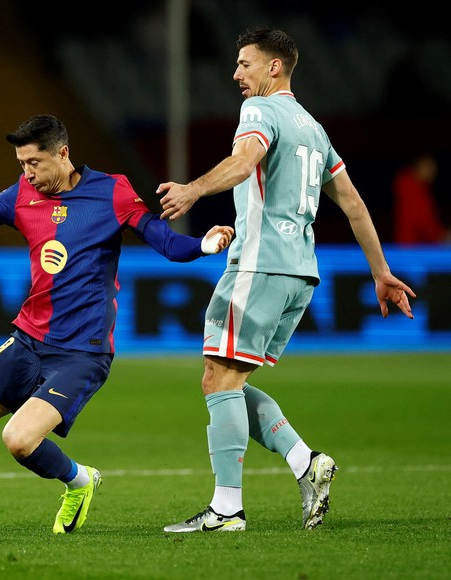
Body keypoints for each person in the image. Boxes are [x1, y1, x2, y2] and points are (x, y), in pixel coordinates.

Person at [0, 114, 234, 537]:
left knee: (19, 440)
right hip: (27, 339)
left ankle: (78, 480)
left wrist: (204, 245)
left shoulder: (112, 191)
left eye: (34, 163)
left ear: (63, 153)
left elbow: (164, 241)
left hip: (82, 352)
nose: (27, 173)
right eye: (21, 163)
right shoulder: (21, 194)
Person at [156, 28, 416, 532]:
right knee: (227, 379)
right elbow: (353, 203)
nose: (236, 73)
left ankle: (227, 509)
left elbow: (244, 161)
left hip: (260, 263)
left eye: (245, 63)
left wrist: (192, 190)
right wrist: (380, 271)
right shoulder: (314, 128)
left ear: (274, 67)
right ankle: (305, 463)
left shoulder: (260, 110)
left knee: (219, 379)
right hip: (300, 271)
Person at [393, 151, 450, 244]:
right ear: (419, 166)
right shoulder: (410, 189)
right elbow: (423, 222)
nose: (433, 173)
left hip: (414, 244)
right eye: (429, 168)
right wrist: (441, 236)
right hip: (413, 246)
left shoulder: (422, 189)